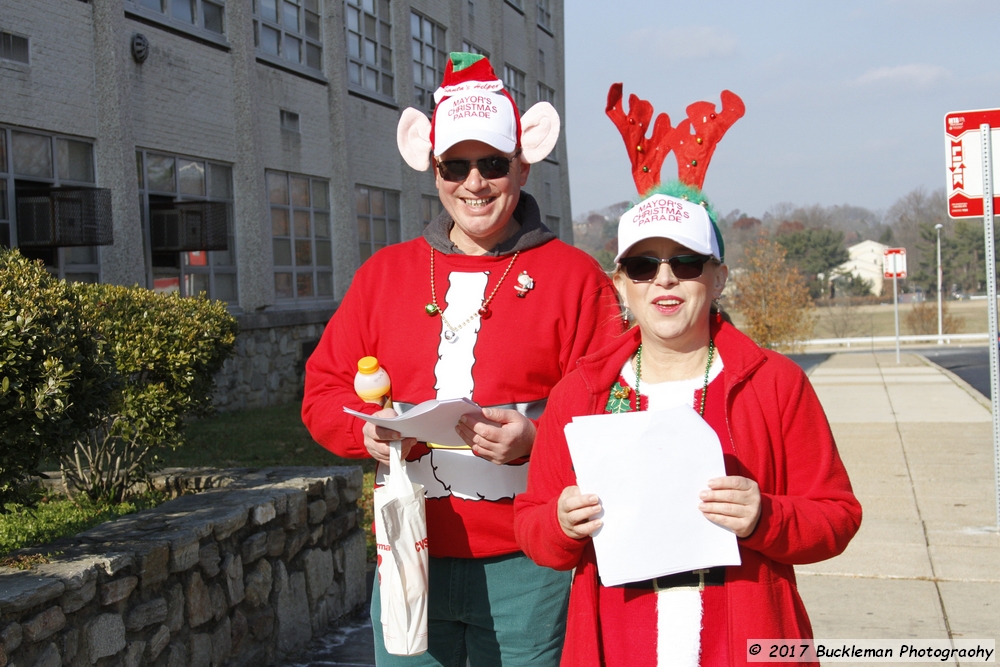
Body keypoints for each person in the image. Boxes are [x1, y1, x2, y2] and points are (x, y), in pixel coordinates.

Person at [302, 53, 623, 667]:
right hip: (407, 553)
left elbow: (614, 408)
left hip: (530, 565)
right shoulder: (384, 276)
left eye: (493, 163)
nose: (474, 183)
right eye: (456, 165)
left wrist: (537, 438)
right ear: (433, 167)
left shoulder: (574, 277)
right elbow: (322, 393)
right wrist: (365, 431)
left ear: (523, 163)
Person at [513, 182, 862, 667]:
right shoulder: (580, 393)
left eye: (685, 262)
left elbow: (838, 516)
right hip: (619, 643)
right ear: (621, 285)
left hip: (747, 642)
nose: (665, 279)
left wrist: (765, 516)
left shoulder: (775, 383)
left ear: (718, 279)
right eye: (643, 265)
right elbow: (531, 526)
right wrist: (561, 522)